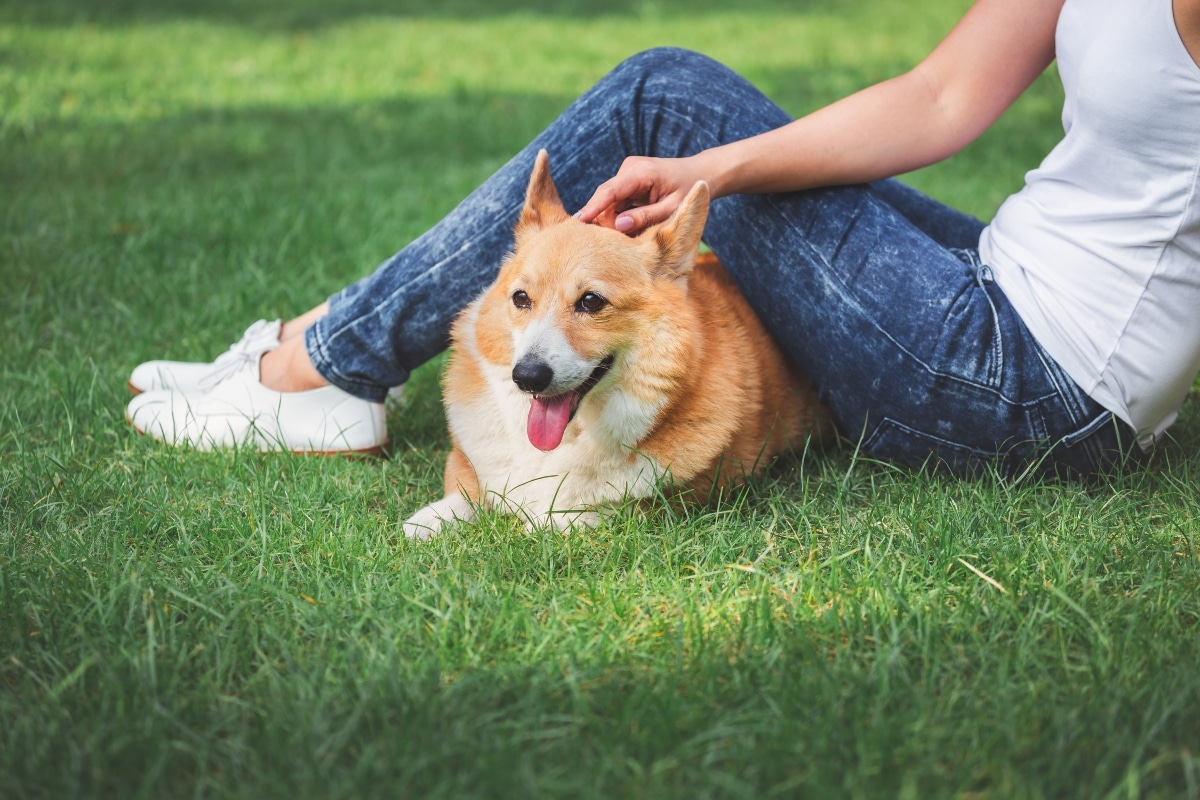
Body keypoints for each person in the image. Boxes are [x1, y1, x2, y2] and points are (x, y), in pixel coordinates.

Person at [126, 0, 1200, 478]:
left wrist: (702, 156)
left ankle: (320, 364)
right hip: (997, 281)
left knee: (665, 92)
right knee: (684, 119)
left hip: (1041, 379)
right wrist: (714, 172)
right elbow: (938, 97)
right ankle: (326, 347)